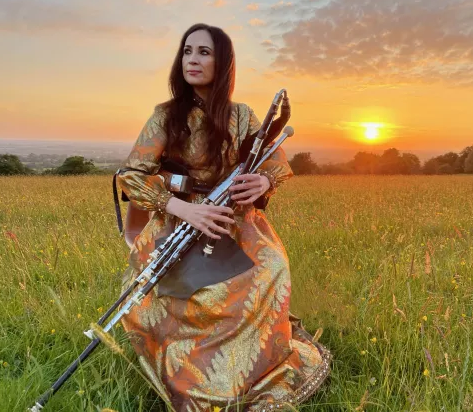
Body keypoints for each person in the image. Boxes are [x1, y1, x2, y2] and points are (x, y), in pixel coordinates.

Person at [116, 23, 332, 411]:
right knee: (198, 291)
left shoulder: (243, 115)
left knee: (272, 267)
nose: (192, 60)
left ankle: (254, 369)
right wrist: (183, 208)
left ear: (223, 63)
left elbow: (275, 161)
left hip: (233, 221)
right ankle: (199, 377)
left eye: (204, 52)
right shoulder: (165, 116)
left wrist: (263, 183)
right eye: (187, 51)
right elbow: (131, 175)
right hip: (177, 221)